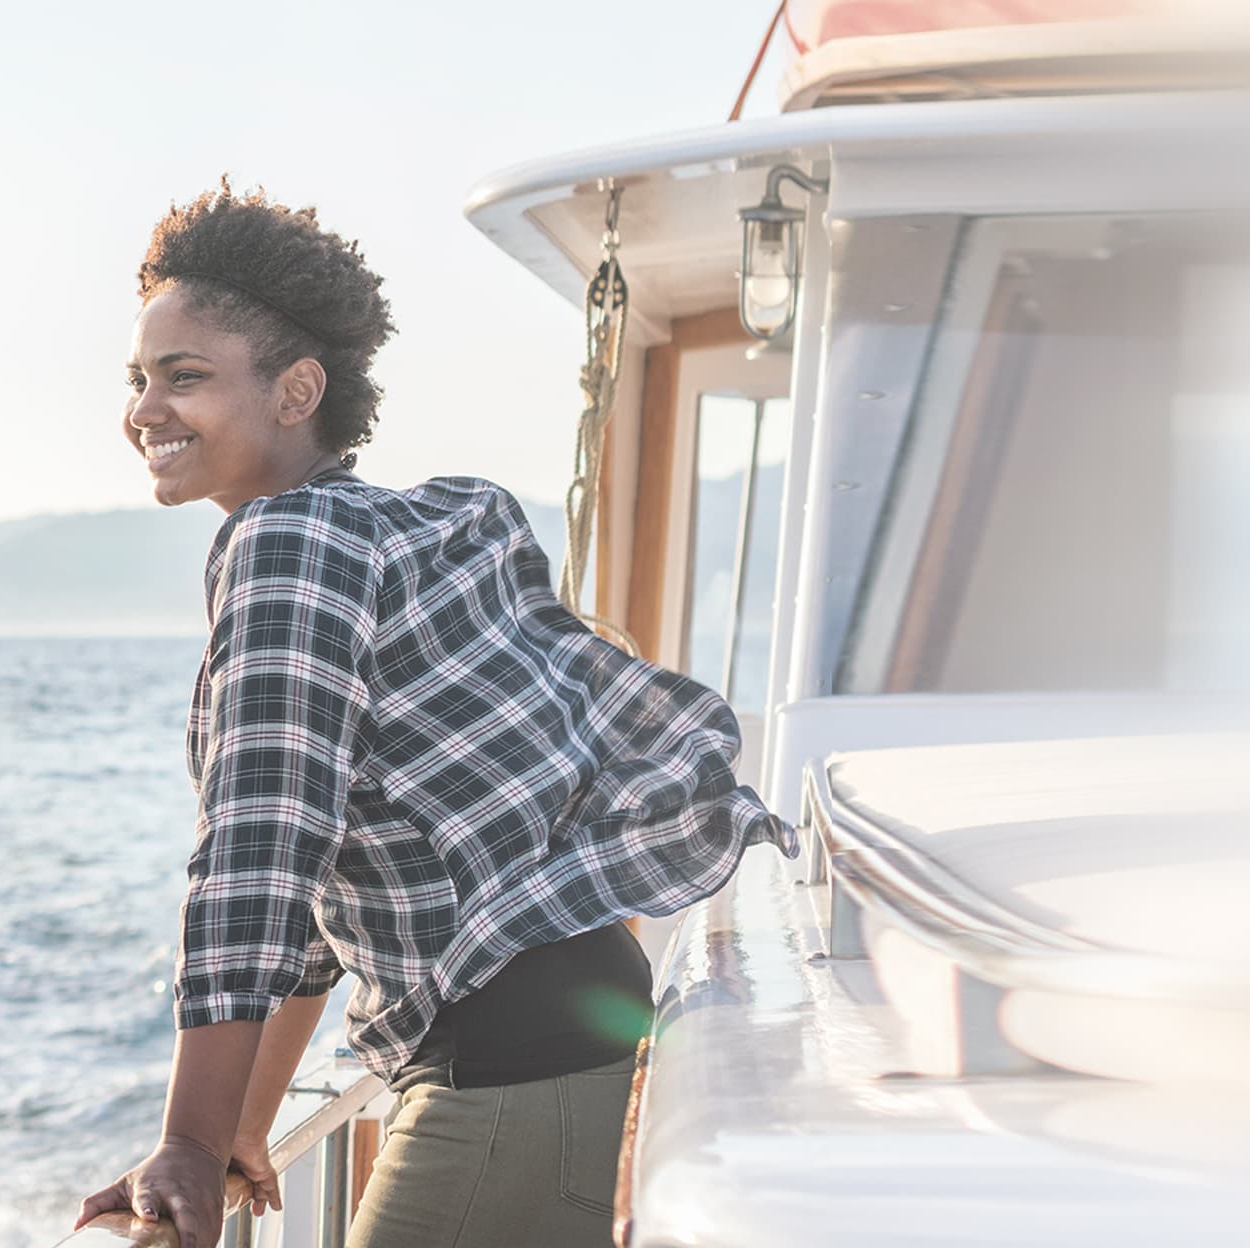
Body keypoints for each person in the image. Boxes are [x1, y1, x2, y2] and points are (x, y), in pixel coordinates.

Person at [70, 183, 794, 1248]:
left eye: (186, 378)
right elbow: (317, 903)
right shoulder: (383, 533)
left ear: (296, 389)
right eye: (139, 379)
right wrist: (238, 1129)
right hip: (566, 1041)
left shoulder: (288, 548)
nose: (145, 410)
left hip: (507, 1076)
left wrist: (183, 1141)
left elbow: (257, 858)